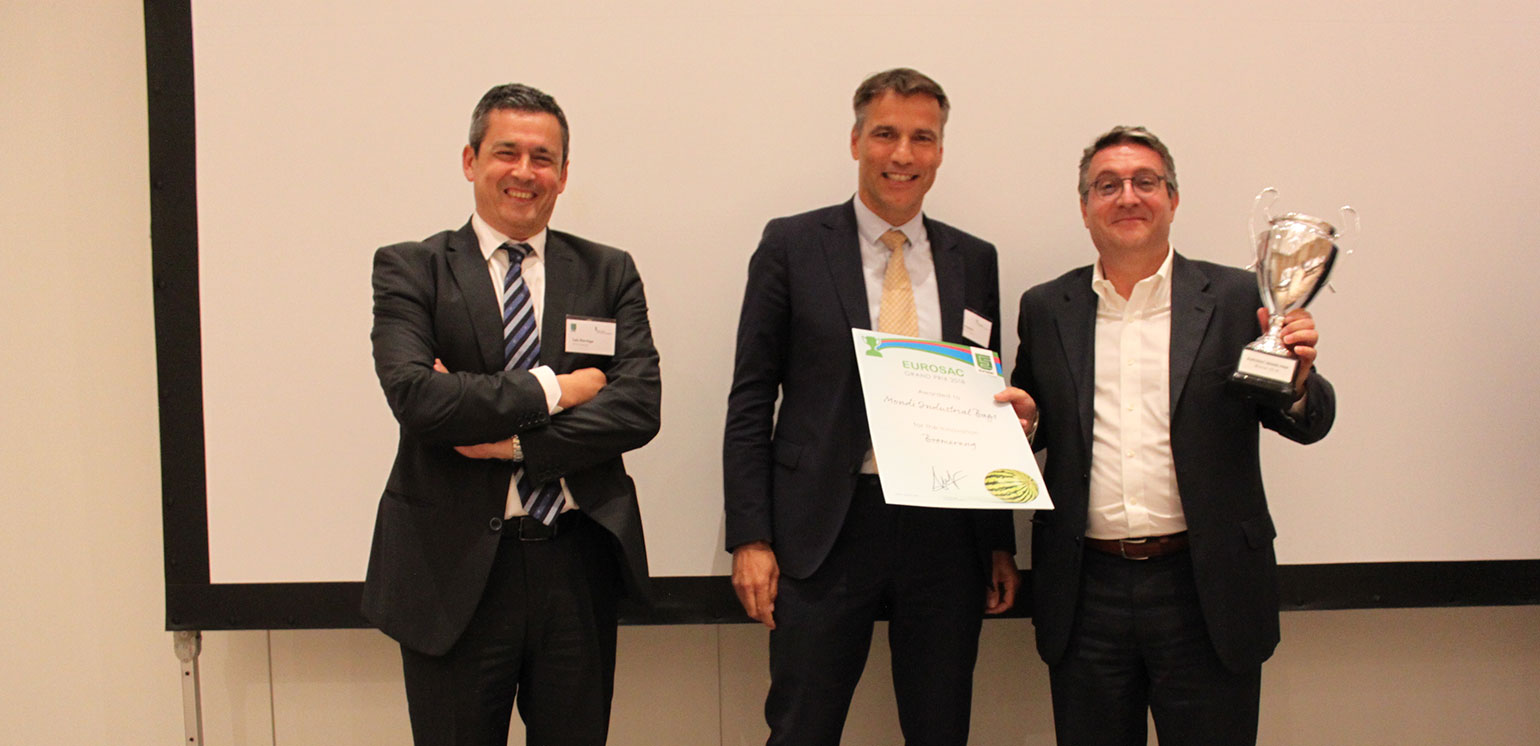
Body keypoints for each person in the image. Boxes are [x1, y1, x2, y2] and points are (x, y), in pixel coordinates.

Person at [998, 125, 1336, 745]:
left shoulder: (1237, 298)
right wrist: (1024, 423)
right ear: (1085, 208)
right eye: (1107, 185)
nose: (1127, 196)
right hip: (1086, 593)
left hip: (1205, 591)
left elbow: (1309, 421)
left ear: (1172, 199)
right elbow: (1034, 418)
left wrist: (1298, 380)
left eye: (1145, 182)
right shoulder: (1047, 307)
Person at [723, 67, 1019, 746]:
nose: (903, 154)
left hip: (945, 531)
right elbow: (751, 397)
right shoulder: (792, 245)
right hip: (826, 527)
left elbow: (987, 402)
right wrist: (751, 536)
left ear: (940, 151)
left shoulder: (974, 259)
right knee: (802, 727)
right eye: (885, 134)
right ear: (856, 141)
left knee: (941, 727)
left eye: (923, 138)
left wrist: (996, 539)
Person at [361, 83, 661, 746]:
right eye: (506, 152)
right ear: (470, 161)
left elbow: (638, 407)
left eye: (543, 158)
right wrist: (559, 388)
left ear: (563, 174)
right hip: (451, 570)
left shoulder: (608, 273)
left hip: (575, 561)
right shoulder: (413, 269)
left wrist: (515, 447)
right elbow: (418, 399)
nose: (525, 172)